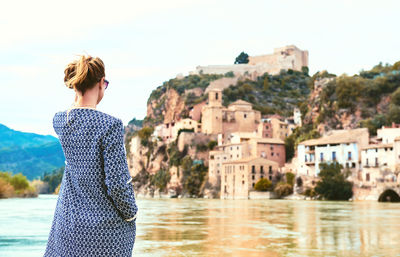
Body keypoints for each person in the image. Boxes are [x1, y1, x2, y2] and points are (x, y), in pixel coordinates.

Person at [44, 55, 138, 257]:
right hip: (104, 231)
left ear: (76, 84)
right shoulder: (110, 125)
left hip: (69, 224)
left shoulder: (60, 121)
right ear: (101, 83)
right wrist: (131, 214)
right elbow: (117, 183)